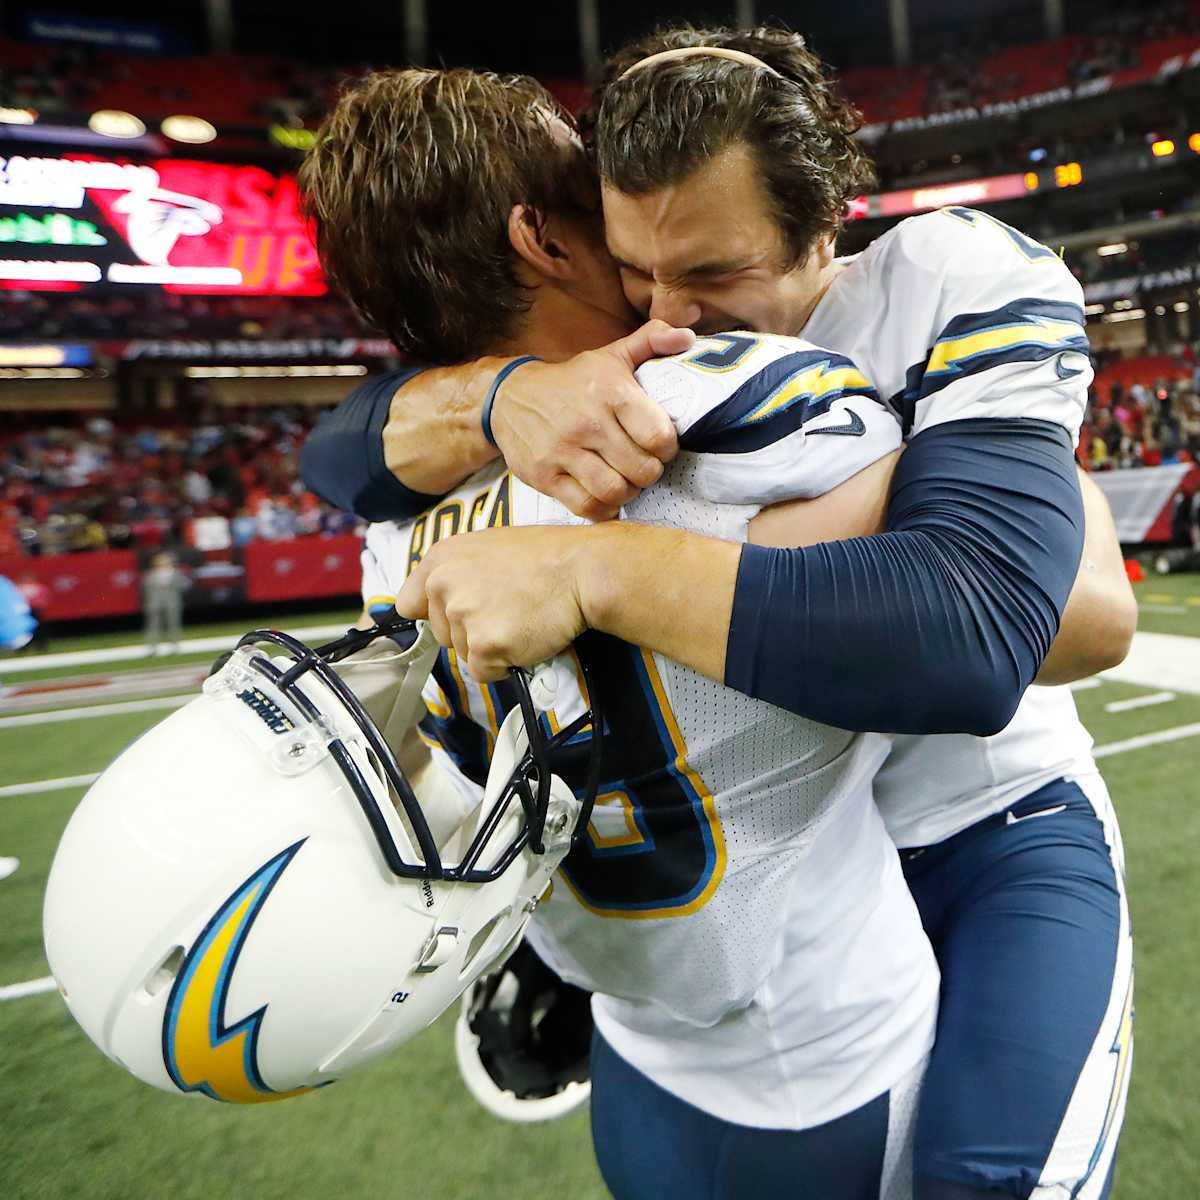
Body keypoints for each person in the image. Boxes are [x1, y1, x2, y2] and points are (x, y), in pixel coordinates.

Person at [301, 27, 1134, 1200]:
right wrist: (498, 398)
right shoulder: (594, 392)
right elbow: (336, 452)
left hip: (986, 809)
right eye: (632, 263)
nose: (672, 316)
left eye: (713, 273)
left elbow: (1047, 623)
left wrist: (598, 567)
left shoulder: (937, 282)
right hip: (802, 872)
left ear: (826, 223)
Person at [141, 550, 186, 656]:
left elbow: (182, 586)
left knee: (173, 625)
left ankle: (175, 646)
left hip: (172, 603)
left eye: (164, 561)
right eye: (160, 562)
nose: (162, 563)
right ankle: (152, 648)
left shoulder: (175, 573)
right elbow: (145, 589)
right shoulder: (150, 575)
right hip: (155, 604)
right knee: (153, 626)